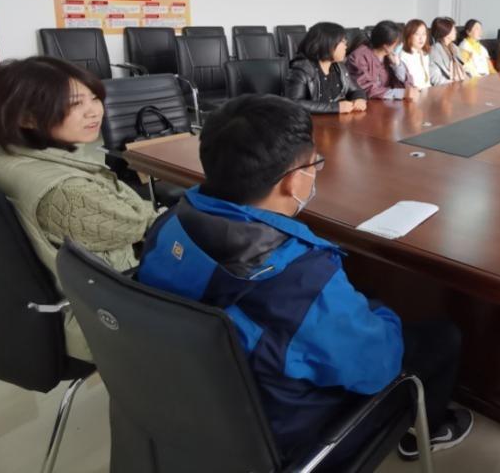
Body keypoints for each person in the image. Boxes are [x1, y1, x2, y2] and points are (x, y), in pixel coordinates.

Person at [136, 95, 473, 463]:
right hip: (292, 440)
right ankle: (427, 429)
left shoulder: (168, 225)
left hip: (192, 410)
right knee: (441, 338)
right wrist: (380, 313)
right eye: (315, 164)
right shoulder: (301, 280)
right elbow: (379, 367)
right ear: (294, 181)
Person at [0, 56, 158, 362]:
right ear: (26, 118)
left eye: (94, 97)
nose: (94, 111)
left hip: (27, 316)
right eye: (74, 103)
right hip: (105, 315)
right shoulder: (67, 193)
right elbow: (137, 222)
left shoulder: (2, 155)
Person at [285, 22, 368, 113]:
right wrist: (335, 107)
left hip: (337, 120)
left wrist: (359, 99)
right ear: (327, 44)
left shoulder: (339, 67)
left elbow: (356, 90)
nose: (346, 46)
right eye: (342, 41)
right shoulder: (301, 70)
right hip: (312, 120)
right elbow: (294, 103)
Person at [346, 20, 419, 100]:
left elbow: (408, 84)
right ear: (386, 46)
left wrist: (397, 66)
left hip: (389, 103)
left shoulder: (390, 56)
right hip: (368, 104)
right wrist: (402, 93)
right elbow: (367, 90)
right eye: (397, 43)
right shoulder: (359, 57)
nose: (400, 45)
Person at [429, 17, 469, 84]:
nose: (456, 32)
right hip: (447, 87)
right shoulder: (434, 51)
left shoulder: (453, 47)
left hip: (460, 83)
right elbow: (435, 78)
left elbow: (465, 68)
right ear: (445, 32)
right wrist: (452, 83)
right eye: (453, 29)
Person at [399, 19, 434, 90]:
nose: (421, 38)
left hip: (428, 90)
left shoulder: (425, 53)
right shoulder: (403, 55)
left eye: (424, 34)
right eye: (417, 34)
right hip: (414, 92)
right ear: (408, 36)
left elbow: (427, 82)